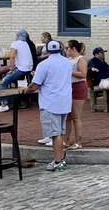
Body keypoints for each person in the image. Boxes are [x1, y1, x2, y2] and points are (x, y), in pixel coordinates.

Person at [24, 40, 73, 172]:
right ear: (61, 49)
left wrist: (25, 91)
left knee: (55, 134)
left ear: (47, 51)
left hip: (50, 103)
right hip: (64, 101)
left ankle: (58, 161)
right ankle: (60, 159)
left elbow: (35, 85)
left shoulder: (43, 64)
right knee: (60, 132)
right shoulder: (67, 63)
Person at [0, 28, 35, 112]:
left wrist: (11, 69)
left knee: (2, 83)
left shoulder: (15, 43)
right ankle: (13, 100)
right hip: (29, 69)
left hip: (21, 69)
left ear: (17, 36)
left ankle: (4, 104)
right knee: (7, 79)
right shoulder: (26, 43)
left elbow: (12, 57)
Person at [63, 40, 87, 150]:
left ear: (73, 48)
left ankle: (78, 142)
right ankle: (65, 140)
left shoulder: (80, 59)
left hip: (78, 87)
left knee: (76, 116)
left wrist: (69, 71)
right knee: (67, 116)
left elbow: (83, 74)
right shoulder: (67, 60)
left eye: (67, 48)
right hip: (68, 88)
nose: (65, 50)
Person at [88, 47, 109, 115]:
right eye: (102, 53)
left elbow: (107, 67)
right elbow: (88, 69)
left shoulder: (102, 61)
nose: (103, 54)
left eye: (103, 53)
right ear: (96, 54)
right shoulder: (93, 61)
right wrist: (92, 69)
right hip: (101, 81)